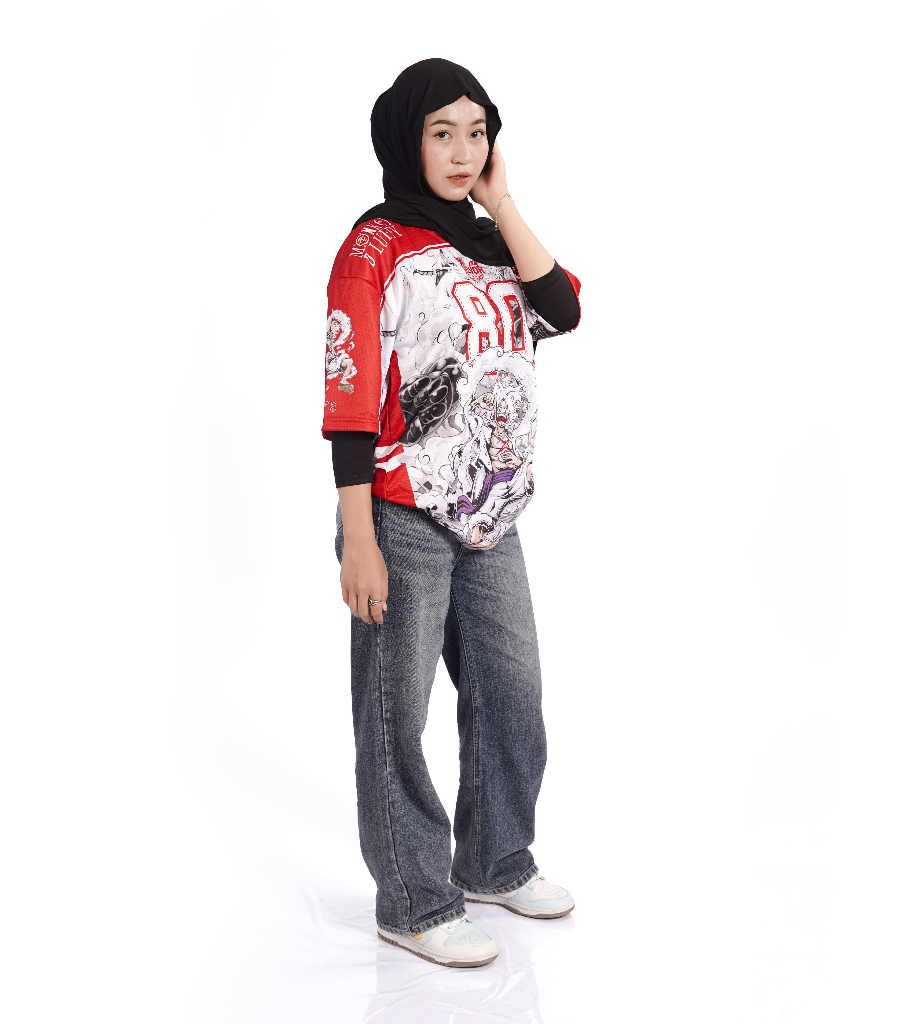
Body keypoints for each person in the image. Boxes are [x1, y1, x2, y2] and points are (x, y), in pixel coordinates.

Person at [322, 59, 582, 969]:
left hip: (492, 514)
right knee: (395, 716)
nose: (464, 151)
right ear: (408, 139)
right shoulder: (373, 248)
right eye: (443, 133)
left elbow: (563, 308)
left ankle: (493, 861)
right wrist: (359, 534)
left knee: (513, 699)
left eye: (478, 132)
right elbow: (350, 395)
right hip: (400, 512)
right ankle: (413, 900)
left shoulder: (490, 239)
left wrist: (502, 204)